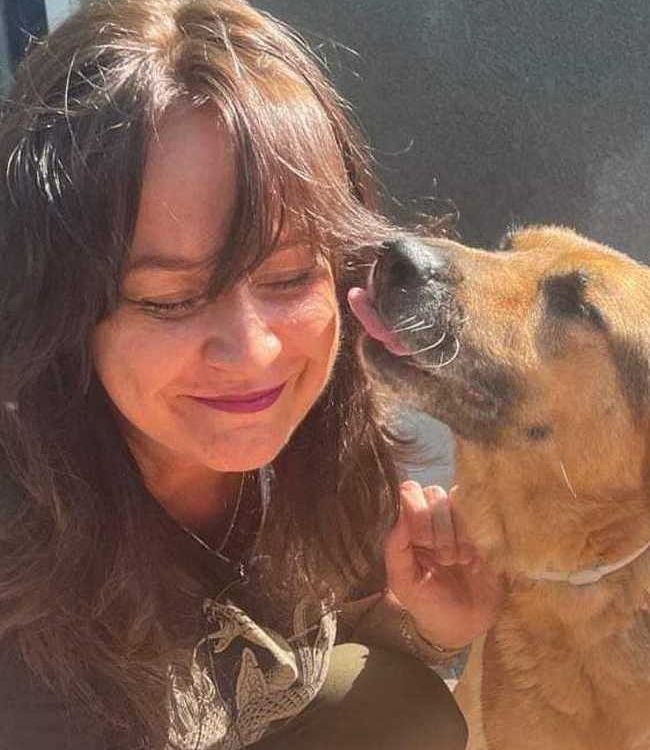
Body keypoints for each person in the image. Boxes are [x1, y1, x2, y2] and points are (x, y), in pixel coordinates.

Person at [0, 1, 500, 748]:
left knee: (404, 708)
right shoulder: (25, 602)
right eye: (169, 299)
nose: (256, 353)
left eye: (290, 277)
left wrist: (427, 621)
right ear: (58, 310)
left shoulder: (325, 423)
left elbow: (319, 642)